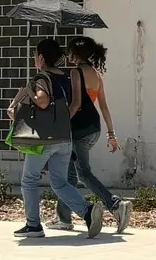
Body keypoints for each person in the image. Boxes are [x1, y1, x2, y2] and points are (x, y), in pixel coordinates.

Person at [6, 38, 103, 240]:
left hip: (45, 139)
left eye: (35, 55)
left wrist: (31, 89)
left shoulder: (42, 78)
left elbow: (42, 101)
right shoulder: (66, 77)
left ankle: (33, 225)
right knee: (59, 182)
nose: (34, 58)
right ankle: (87, 211)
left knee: (29, 179)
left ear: (41, 57)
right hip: (64, 137)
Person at [45, 35, 134, 235]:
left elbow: (75, 104)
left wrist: (58, 123)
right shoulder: (95, 74)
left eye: (69, 51)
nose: (67, 54)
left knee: (82, 174)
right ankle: (63, 218)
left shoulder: (76, 73)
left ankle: (115, 204)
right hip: (94, 128)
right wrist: (111, 134)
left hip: (78, 129)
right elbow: (104, 107)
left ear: (75, 54)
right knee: (69, 174)